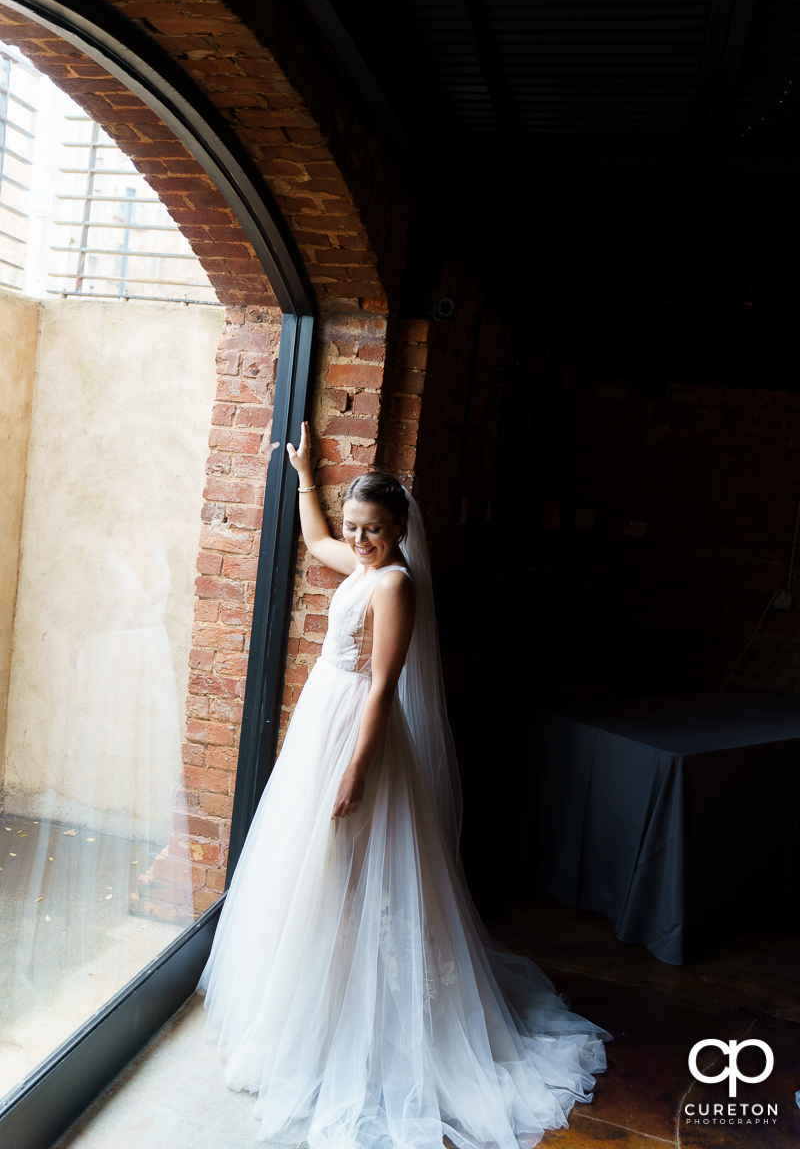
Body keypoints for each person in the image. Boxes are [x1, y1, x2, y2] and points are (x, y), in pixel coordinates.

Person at [198, 422, 611, 1149]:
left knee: (351, 868)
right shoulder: (358, 566)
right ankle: (311, 1004)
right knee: (313, 870)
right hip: (320, 722)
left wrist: (356, 769)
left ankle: (360, 1017)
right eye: (357, 527)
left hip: (357, 733)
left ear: (398, 530)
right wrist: (303, 477)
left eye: (374, 530)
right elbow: (318, 542)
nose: (358, 541)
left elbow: (384, 686)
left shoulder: (395, 583)